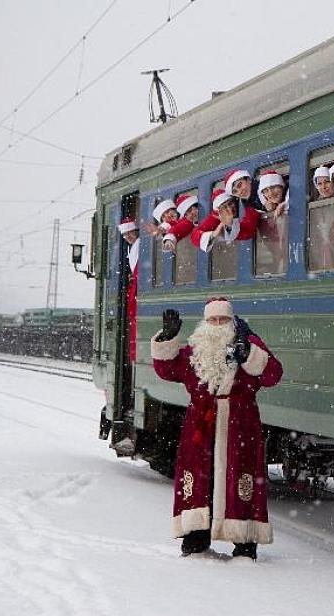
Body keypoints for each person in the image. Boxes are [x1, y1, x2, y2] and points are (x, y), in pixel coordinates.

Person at [151, 297, 283, 559]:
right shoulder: (194, 350)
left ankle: (244, 541)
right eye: (212, 319)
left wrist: (250, 355)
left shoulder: (247, 344)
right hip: (200, 426)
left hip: (240, 425)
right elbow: (167, 370)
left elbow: (274, 375)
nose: (217, 324)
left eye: (223, 319)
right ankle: (196, 538)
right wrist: (166, 339)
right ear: (205, 323)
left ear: (231, 321)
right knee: (200, 480)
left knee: (239, 480)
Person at [190, 185, 261, 253]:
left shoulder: (247, 205)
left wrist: (230, 225)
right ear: (219, 211)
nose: (229, 209)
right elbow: (194, 236)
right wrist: (213, 234)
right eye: (224, 207)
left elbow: (249, 229)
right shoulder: (216, 216)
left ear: (234, 200)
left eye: (230, 203)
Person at [117, 218, 139, 362]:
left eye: (129, 233)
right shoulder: (132, 247)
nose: (127, 237)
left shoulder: (140, 244)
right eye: (124, 235)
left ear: (135, 231)